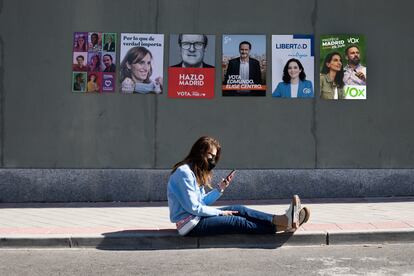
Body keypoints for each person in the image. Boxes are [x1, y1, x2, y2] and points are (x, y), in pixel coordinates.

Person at [167, 136, 310, 236]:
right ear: (200, 152)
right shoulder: (184, 173)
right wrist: (220, 213)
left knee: (239, 209)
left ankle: (283, 220)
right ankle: (285, 224)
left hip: (197, 217)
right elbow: (194, 208)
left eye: (215, 157)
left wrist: (219, 189)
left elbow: (201, 202)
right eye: (210, 155)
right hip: (189, 225)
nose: (212, 160)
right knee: (237, 221)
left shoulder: (195, 172)